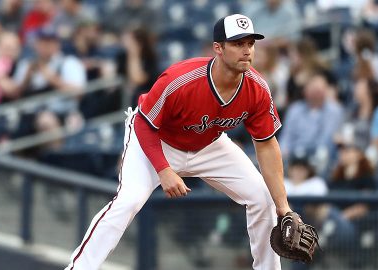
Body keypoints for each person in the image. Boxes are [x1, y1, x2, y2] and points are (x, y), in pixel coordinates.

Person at [65, 14, 294, 270]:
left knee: (264, 200)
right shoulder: (182, 79)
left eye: (250, 43)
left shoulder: (258, 88)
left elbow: (266, 144)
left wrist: (283, 207)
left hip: (209, 145)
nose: (246, 50)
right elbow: (143, 123)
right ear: (218, 48)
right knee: (128, 201)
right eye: (238, 43)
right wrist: (164, 170)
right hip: (155, 141)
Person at [279, 72, 345, 158]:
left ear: (326, 91)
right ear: (305, 90)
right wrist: (283, 152)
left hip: (318, 156)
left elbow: (326, 140)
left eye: (319, 90)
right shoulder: (295, 109)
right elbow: (286, 137)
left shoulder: (334, 110)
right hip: (293, 155)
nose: (316, 94)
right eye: (313, 89)